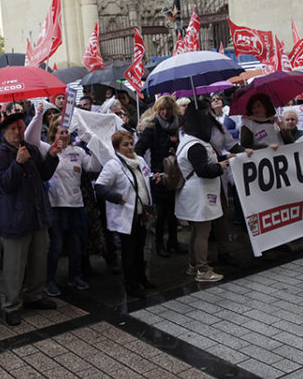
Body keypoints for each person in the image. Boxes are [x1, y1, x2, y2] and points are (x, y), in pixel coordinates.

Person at [0, 111, 62, 326]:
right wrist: (17, 164)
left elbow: (44, 174)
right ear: (4, 132)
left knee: (39, 259)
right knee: (14, 265)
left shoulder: (30, 148)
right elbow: (1, 185)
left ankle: (34, 296)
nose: (18, 131)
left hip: (37, 214)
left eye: (20, 127)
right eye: (13, 128)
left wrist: (52, 156)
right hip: (15, 218)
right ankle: (11, 304)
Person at [26, 104, 99, 296]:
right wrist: (38, 114)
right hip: (55, 206)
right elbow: (29, 138)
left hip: (75, 205)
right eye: (60, 131)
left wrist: (92, 140)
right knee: (56, 245)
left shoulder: (78, 151)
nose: (64, 135)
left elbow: (94, 166)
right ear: (52, 132)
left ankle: (74, 276)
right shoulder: (45, 148)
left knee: (76, 244)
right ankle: (49, 280)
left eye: (67, 131)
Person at [94, 130, 158, 297]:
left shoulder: (140, 160)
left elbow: (145, 176)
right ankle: (132, 286)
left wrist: (154, 178)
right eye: (125, 145)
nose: (130, 147)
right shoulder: (113, 165)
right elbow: (100, 186)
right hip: (126, 215)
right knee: (129, 252)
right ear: (116, 148)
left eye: (131, 143)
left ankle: (143, 279)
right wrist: (116, 197)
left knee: (140, 249)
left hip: (142, 213)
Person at [175, 102, 229, 283]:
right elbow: (203, 169)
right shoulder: (196, 145)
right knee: (203, 232)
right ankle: (202, 269)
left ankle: (193, 265)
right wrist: (220, 167)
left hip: (194, 193)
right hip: (199, 194)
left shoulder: (189, 141)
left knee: (197, 232)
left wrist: (223, 159)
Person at [135, 95, 186, 258]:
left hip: (175, 173)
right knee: (161, 213)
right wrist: (148, 173)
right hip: (158, 175)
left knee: (174, 212)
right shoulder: (152, 127)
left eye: (169, 109)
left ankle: (173, 242)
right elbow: (139, 151)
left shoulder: (178, 126)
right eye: (162, 109)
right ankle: (159, 245)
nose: (165, 112)